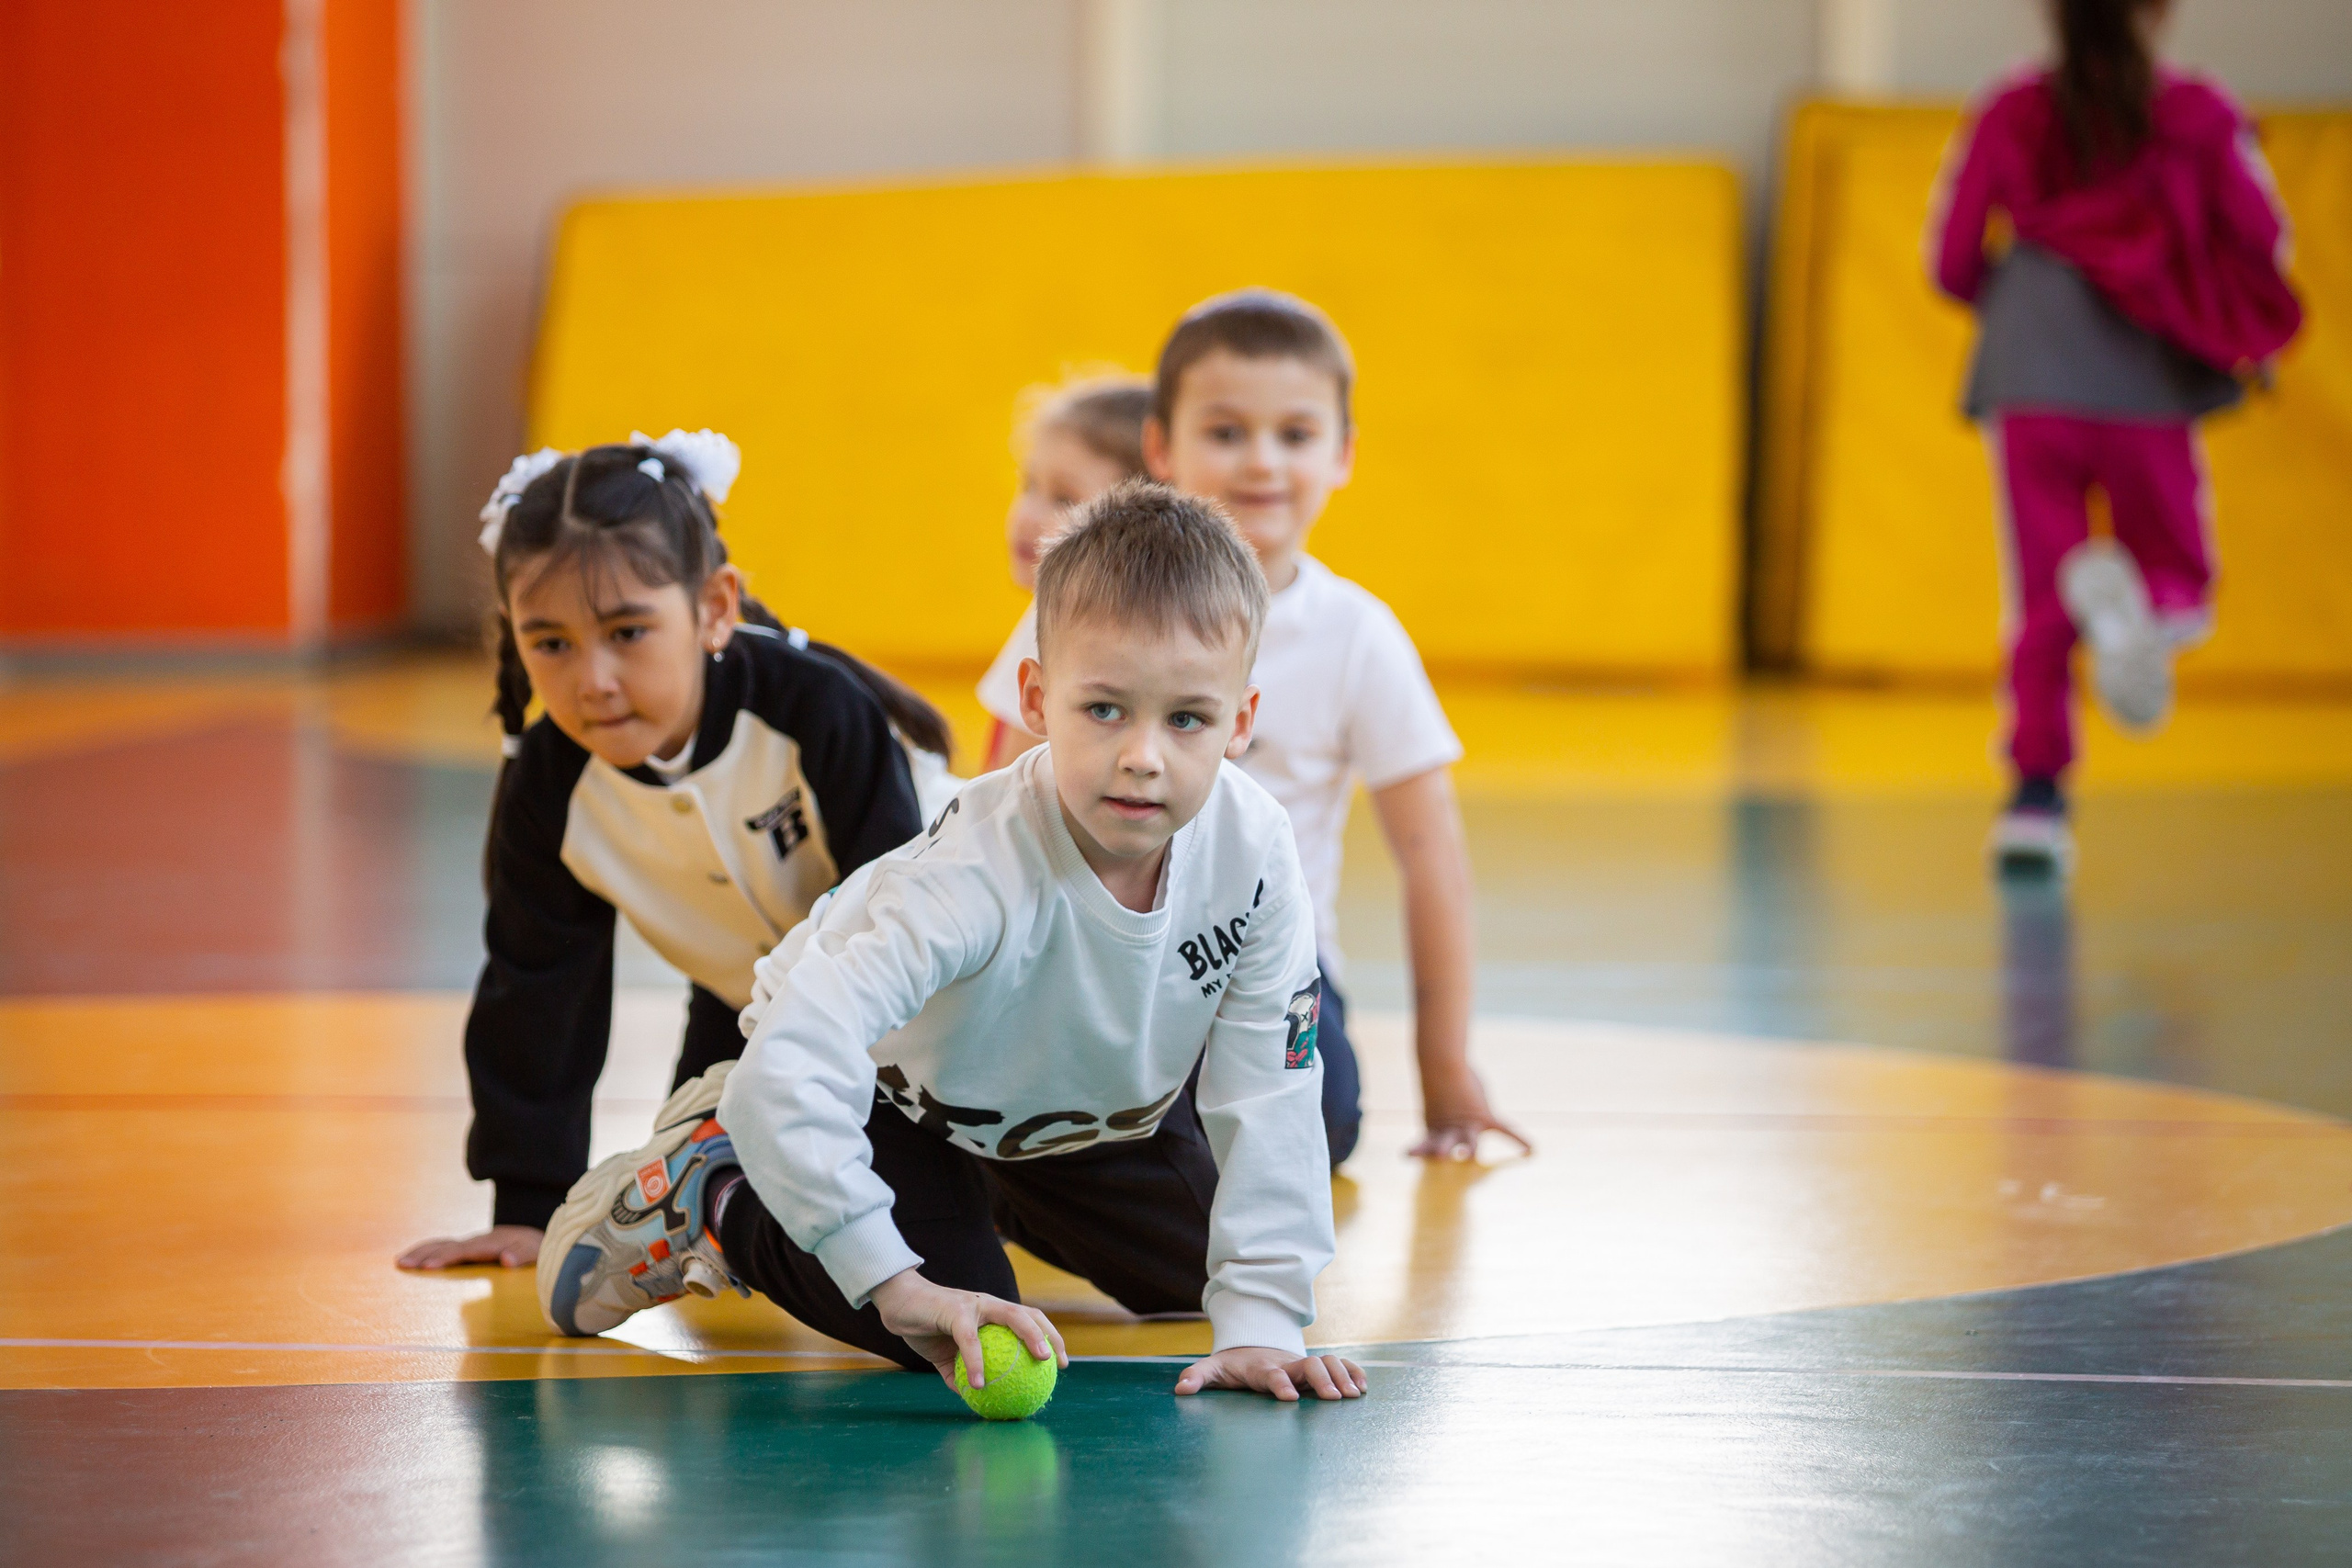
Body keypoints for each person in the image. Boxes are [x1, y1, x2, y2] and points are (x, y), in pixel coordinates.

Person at [537, 483, 1367, 1404]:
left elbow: (1272, 1087)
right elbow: (790, 1070)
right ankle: (714, 1191)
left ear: (1240, 722)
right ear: (1037, 697)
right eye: (1103, 710)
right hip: (887, 1101)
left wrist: (1261, 1319)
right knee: (953, 1317)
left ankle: (969, 1201)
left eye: (1186, 719)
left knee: (1196, 1281)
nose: (1143, 755)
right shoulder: (969, 878)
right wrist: (893, 1282)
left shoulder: (1254, 850)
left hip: (1058, 1118)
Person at [398, 432, 950, 1272]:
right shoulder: (548, 786)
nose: (594, 680)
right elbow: (538, 986)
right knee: (728, 1204)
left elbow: (907, 925)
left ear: (714, 606)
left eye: (627, 631)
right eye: (550, 643)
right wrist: (530, 1201)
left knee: (1126, 1250)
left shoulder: (817, 709)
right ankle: (722, 1181)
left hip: (943, 1010)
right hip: (748, 1015)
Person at [1148, 288, 1528, 1166]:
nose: (1262, 462)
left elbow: (1431, 853)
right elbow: (1002, 798)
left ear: (1344, 453)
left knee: (1321, 1127)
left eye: (1296, 433)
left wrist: (1444, 1064)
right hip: (1110, 957)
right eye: (1226, 430)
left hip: (1275, 972)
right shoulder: (1099, 601)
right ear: (1160, 446)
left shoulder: (1357, 635)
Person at [1929, 0, 2301, 874]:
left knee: (2042, 602)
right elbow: (2260, 234)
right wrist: (2238, 331)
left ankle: (2035, 804)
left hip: (2031, 367)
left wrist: (2027, 310)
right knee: (2178, 566)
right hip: (2145, 368)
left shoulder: (2009, 110)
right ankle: (2148, 611)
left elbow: (1949, 258)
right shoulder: (2198, 117)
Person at [977, 375, 1152, 773]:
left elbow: (1003, 791)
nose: (1027, 516)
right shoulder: (1052, 609)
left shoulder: (1061, 621)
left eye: (1064, 499)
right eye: (1028, 486)